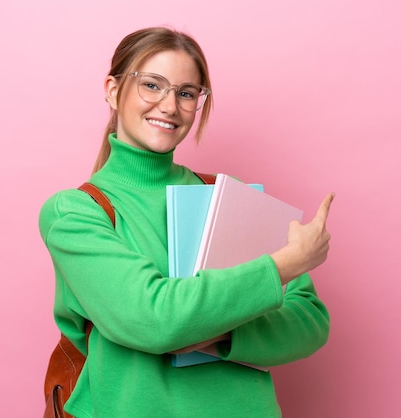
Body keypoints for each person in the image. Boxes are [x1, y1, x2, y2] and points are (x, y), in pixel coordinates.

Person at [39, 26, 335, 418]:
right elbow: (151, 319)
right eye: (151, 85)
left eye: (185, 93)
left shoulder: (232, 198)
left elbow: (310, 320)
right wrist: (284, 266)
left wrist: (224, 333)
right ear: (112, 89)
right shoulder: (76, 213)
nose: (168, 106)